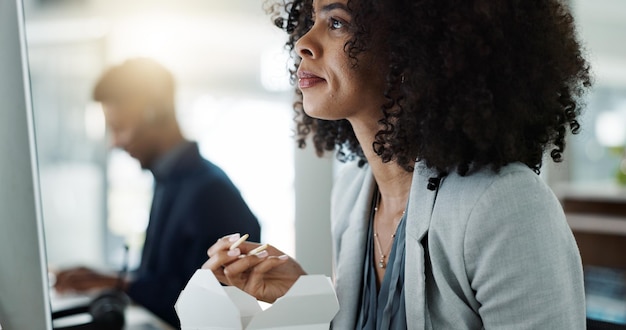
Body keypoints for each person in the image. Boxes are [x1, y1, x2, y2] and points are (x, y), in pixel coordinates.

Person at [204, 0, 593, 328]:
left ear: (412, 49)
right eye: (311, 20)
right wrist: (304, 296)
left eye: (336, 23)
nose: (304, 43)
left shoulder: (506, 206)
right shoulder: (353, 192)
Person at [54, 58, 261, 327]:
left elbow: (207, 309)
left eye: (120, 128)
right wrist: (110, 278)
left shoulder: (210, 193)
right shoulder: (170, 181)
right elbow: (166, 277)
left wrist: (118, 283)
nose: (115, 142)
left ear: (154, 114)